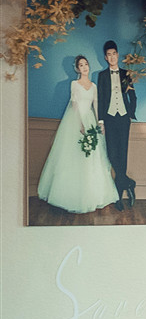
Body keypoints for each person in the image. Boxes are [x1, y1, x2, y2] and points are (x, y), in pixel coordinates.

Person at [37, 55, 120, 214]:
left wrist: (100, 122)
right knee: (74, 154)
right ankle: (71, 194)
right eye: (81, 65)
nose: (84, 67)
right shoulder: (74, 84)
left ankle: (93, 194)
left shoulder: (94, 86)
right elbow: (74, 105)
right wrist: (80, 124)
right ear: (77, 68)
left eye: (86, 64)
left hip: (90, 119)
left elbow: (96, 105)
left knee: (92, 156)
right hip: (76, 119)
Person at [96, 40, 137, 209]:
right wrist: (101, 121)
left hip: (123, 119)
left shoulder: (126, 74)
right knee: (112, 155)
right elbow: (100, 99)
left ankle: (119, 198)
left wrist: (130, 114)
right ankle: (129, 183)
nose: (112, 57)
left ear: (118, 55)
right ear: (105, 57)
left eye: (114, 54)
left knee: (122, 155)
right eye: (109, 55)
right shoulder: (102, 76)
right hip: (109, 119)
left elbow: (133, 96)